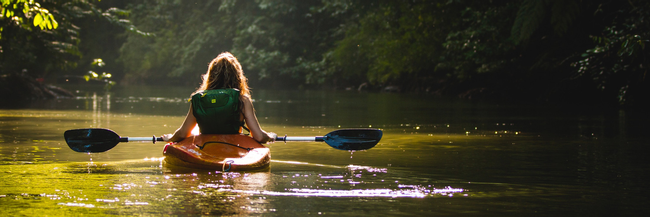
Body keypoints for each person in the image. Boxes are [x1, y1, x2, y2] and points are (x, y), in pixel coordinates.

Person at [162, 52, 276, 143]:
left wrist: (171, 138)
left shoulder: (199, 99)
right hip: (234, 147)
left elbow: (183, 133)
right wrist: (270, 136)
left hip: (205, 147)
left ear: (211, 75)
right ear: (237, 76)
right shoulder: (243, 100)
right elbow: (259, 137)